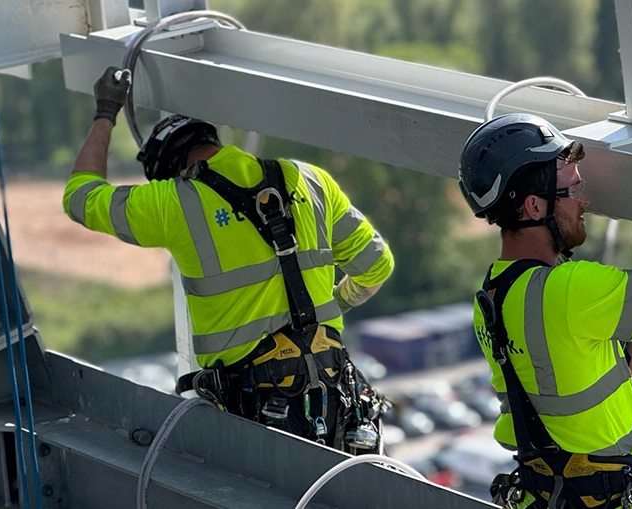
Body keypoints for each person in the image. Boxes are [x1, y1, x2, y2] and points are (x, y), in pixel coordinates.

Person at [63, 67, 394, 452]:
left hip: (254, 418)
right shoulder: (311, 180)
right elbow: (377, 266)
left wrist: (106, 110)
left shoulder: (173, 201)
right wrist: (331, 304)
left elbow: (79, 196)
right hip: (335, 400)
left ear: (172, 169)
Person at [459, 113, 632, 508]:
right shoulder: (569, 291)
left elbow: (625, 370)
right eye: (572, 189)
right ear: (532, 205)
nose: (585, 200)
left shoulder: (493, 297)